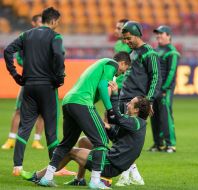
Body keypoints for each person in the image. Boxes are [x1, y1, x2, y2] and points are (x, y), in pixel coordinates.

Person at [22, 82, 151, 189]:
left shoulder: (136, 122)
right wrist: (100, 124)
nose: (127, 104)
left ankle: (38, 175)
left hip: (110, 164)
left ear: (136, 110)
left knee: (70, 152)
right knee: (84, 140)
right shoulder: (136, 123)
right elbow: (115, 134)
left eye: (131, 103)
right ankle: (79, 179)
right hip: (114, 161)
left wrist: (115, 95)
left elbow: (117, 117)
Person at [34, 52, 131, 189]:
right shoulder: (112, 64)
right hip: (82, 102)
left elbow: (100, 86)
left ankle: (47, 178)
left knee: (66, 144)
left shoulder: (99, 64)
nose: (122, 73)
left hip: (69, 101)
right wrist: (110, 110)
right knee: (102, 141)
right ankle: (95, 181)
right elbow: (103, 86)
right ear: (122, 63)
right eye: (124, 69)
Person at [4, 7, 65, 176]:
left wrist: (15, 74)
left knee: (25, 126)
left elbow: (8, 50)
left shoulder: (26, 35)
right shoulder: (55, 36)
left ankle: (17, 166)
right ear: (53, 21)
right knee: (51, 129)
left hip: (28, 86)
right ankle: (54, 169)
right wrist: (59, 77)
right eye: (57, 23)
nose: (57, 26)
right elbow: (59, 55)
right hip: (47, 86)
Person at [114, 21, 161, 186]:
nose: (126, 41)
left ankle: (125, 176)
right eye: (124, 39)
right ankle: (133, 173)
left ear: (137, 34)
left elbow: (155, 77)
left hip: (135, 102)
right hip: (124, 98)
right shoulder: (132, 52)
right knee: (120, 138)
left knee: (126, 141)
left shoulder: (149, 53)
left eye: (128, 38)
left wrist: (148, 101)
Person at [1, 14, 45, 151]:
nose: (42, 23)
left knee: (42, 112)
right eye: (39, 21)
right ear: (33, 22)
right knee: (19, 110)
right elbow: (18, 57)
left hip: (44, 81)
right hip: (29, 79)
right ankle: (11, 139)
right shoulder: (26, 37)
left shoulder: (49, 38)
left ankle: (37, 140)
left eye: (43, 21)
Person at [149, 25, 180, 153]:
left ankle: (171, 144)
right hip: (155, 90)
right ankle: (158, 144)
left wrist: (164, 88)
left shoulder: (172, 52)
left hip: (164, 91)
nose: (158, 36)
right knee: (154, 116)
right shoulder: (156, 50)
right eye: (157, 34)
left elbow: (171, 72)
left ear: (169, 36)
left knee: (166, 116)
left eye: (161, 33)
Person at [113, 18, 131, 92]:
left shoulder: (131, 45)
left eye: (119, 28)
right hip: (117, 83)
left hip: (128, 85)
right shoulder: (117, 44)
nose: (115, 31)